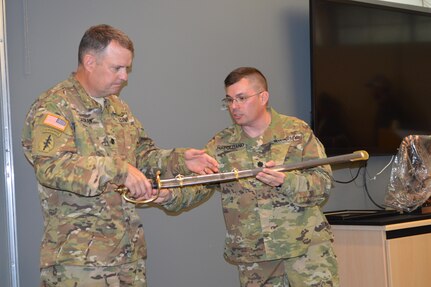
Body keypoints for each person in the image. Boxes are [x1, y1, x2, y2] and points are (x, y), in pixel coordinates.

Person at [21, 24, 218, 287]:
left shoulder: (118, 108)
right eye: (117, 68)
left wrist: (181, 160)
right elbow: (52, 167)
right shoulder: (55, 106)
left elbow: (144, 156)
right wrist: (118, 169)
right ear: (90, 62)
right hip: (79, 264)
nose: (124, 77)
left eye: (127, 68)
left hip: (128, 257)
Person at [163, 67, 339, 286]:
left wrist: (286, 181)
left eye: (241, 98)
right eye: (229, 100)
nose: (234, 107)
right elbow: (198, 185)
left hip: (306, 253)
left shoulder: (296, 132)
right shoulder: (222, 144)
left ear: (263, 97)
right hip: (256, 260)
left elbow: (323, 184)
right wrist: (167, 196)